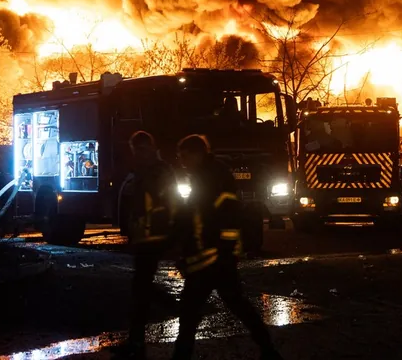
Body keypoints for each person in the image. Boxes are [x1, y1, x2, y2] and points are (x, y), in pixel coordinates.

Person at [171, 135, 281, 360]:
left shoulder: (211, 177)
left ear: (197, 153)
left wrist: (219, 250)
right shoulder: (206, 175)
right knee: (236, 306)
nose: (182, 161)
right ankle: (268, 350)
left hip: (213, 259)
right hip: (214, 258)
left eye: (184, 155)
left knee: (192, 313)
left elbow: (225, 216)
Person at [113, 131, 178, 359]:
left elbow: (164, 201)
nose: (135, 154)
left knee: (141, 288)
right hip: (146, 237)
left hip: (154, 238)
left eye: (138, 150)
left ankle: (176, 309)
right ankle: (136, 342)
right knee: (140, 288)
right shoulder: (149, 170)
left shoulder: (157, 171)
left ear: (145, 148)